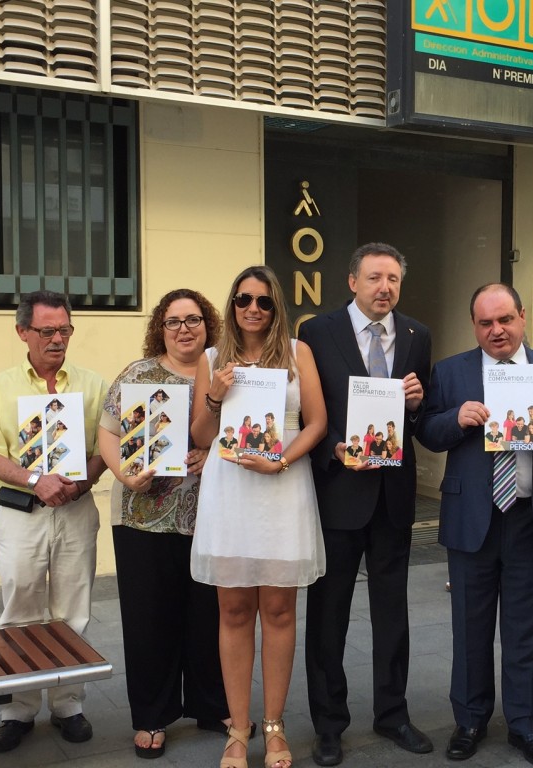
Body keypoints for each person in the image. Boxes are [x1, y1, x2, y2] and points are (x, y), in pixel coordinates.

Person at [416, 283, 533, 767]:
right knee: (469, 627)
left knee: (526, 628)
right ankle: (469, 720)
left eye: (505, 320)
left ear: (523, 317)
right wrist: (457, 418)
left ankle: (526, 724)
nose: (497, 331)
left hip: (532, 519)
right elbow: (426, 432)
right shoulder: (451, 372)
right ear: (475, 325)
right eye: (486, 323)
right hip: (474, 517)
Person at [298, 242, 433, 766]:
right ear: (352, 281)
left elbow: (421, 415)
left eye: (394, 279)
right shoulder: (318, 332)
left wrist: (418, 405)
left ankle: (392, 713)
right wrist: (332, 443)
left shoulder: (417, 335)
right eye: (375, 277)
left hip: (393, 497)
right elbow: (310, 407)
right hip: (339, 493)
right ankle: (329, 724)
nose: (385, 288)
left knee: (392, 615)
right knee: (328, 617)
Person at [190, 265, 327, 768]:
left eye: (264, 301)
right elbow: (202, 436)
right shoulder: (211, 358)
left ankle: (273, 727)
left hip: (282, 484)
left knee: (279, 611)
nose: (253, 308)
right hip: (230, 492)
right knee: (233, 611)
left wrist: (283, 459)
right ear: (232, 305)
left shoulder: (297, 353)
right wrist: (214, 396)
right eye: (244, 299)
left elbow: (317, 422)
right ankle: (237, 728)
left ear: (276, 309)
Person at [0, 290, 107, 753]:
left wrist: (82, 483)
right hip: (20, 514)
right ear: (22, 332)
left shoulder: (93, 384)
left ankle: (68, 704)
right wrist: (34, 479)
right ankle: (18, 710)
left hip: (75, 511)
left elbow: (104, 450)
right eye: (47, 330)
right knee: (20, 611)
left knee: (73, 611)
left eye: (65, 330)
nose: (57, 339)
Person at [97, 288, 230, 759]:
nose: (184, 329)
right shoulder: (140, 375)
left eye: (193, 319)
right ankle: (151, 716)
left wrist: (212, 450)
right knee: (149, 618)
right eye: (173, 321)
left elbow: (248, 431)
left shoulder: (226, 373)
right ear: (161, 326)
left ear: (207, 324)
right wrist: (123, 474)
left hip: (210, 514)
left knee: (209, 615)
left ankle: (212, 706)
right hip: (142, 518)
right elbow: (108, 431)